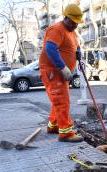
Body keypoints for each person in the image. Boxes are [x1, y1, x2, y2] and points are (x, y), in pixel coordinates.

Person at [39, 4, 84, 142]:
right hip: (53, 71)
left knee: (58, 101)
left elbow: (76, 46)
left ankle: (53, 125)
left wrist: (78, 53)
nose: (75, 25)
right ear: (66, 18)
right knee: (62, 101)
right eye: (73, 22)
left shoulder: (72, 32)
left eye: (77, 23)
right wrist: (63, 67)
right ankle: (65, 133)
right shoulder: (56, 29)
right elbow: (50, 49)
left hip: (61, 72)